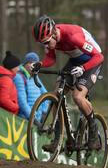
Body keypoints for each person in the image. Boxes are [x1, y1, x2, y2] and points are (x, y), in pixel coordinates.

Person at [31, 15, 104, 152]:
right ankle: (57, 138)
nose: (46, 46)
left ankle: (93, 129)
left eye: (46, 42)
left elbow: (99, 57)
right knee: (56, 95)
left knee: (77, 97)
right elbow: (50, 58)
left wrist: (83, 68)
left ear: (54, 33)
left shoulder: (72, 37)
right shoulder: (50, 37)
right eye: (42, 44)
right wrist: (40, 64)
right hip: (75, 61)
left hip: (92, 61)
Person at [13, 52, 48, 123]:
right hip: (23, 120)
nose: (32, 65)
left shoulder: (35, 77)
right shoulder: (19, 76)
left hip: (36, 120)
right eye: (30, 62)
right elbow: (21, 100)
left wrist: (44, 113)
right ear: (25, 63)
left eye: (35, 63)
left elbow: (45, 94)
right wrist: (32, 118)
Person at [0, 51, 21, 115]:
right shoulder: (6, 80)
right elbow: (4, 100)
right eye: (17, 67)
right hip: (5, 116)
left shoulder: (5, 77)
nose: (18, 69)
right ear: (12, 67)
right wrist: (16, 107)